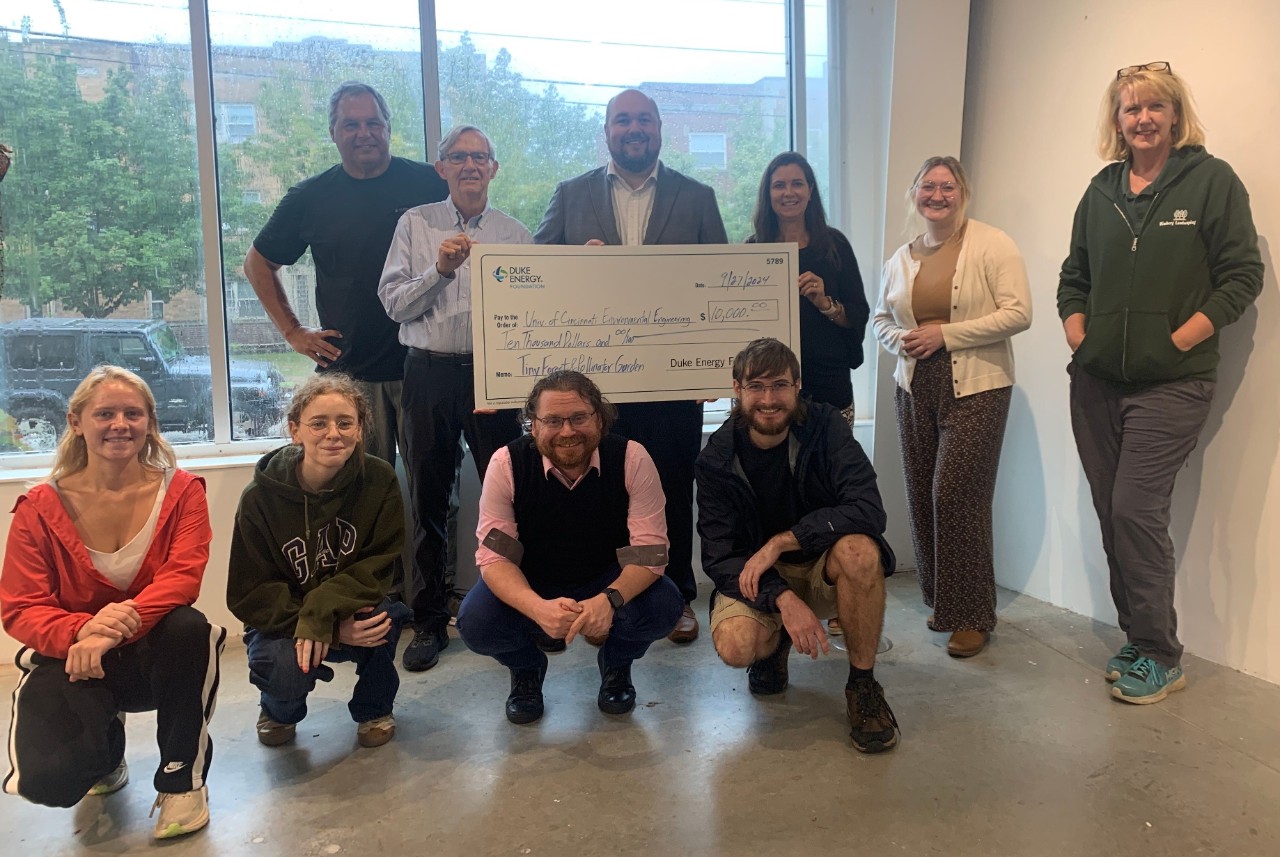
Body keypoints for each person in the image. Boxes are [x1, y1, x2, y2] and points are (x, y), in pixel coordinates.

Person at [1058, 62, 1263, 704]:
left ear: (1176, 115)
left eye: (1154, 107)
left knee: (1134, 510)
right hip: (1095, 381)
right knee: (1108, 510)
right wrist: (1078, 333)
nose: (1142, 119)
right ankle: (1138, 636)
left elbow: (1242, 275)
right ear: (1116, 120)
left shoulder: (1210, 181)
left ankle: (1159, 653)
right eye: (1130, 109)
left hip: (1173, 384)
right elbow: (1075, 274)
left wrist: (1179, 339)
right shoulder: (1101, 190)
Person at [534, 88, 729, 645]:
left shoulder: (697, 196)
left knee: (672, 486)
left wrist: (710, 370)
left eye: (644, 119)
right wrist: (576, 264)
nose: (634, 128)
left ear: (661, 129)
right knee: (601, 494)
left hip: (672, 388)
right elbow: (535, 274)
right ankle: (601, 597)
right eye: (623, 120)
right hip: (593, 392)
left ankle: (677, 599)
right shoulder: (570, 195)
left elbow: (718, 284)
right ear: (607, 131)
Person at [0, 366, 224, 840]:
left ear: (150, 422)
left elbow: (182, 578)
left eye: (132, 413)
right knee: (49, 782)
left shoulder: (182, 491)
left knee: (189, 627)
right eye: (105, 413)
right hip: (79, 657)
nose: (119, 424)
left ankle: (181, 780)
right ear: (76, 422)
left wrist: (106, 629)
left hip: (155, 653)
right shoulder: (38, 507)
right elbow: (22, 606)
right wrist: (81, 631)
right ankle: (105, 756)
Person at [696, 339, 900, 753]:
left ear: (797, 386)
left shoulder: (826, 427)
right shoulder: (716, 458)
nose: (768, 399)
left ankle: (862, 685)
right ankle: (776, 642)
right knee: (736, 646)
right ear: (737, 389)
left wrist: (785, 541)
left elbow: (868, 510)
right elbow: (720, 557)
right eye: (756, 387)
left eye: (779, 386)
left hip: (822, 565)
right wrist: (782, 598)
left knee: (861, 550)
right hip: (761, 578)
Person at [378, 125, 528, 672]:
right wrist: (439, 272)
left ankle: (518, 609)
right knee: (429, 497)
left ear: (494, 168)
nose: (470, 166)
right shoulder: (415, 224)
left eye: (480, 157)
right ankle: (428, 619)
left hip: (496, 378)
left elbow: (535, 312)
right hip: (429, 374)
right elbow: (394, 304)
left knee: (511, 497)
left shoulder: (516, 234)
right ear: (441, 168)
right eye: (458, 157)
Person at [456, 371, 683, 724]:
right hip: (533, 580)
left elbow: (650, 552)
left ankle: (616, 664)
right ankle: (527, 669)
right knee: (476, 622)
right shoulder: (505, 464)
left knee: (664, 607)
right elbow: (495, 558)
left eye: (579, 417)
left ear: (600, 419)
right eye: (553, 420)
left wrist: (609, 600)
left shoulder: (632, 459)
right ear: (532, 424)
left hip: (609, 578)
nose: (567, 431)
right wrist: (536, 608)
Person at [873, 155, 1032, 659]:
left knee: (956, 496)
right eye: (927, 187)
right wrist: (901, 339)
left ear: (962, 192)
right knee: (923, 493)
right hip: (914, 385)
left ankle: (972, 616)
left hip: (978, 386)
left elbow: (1019, 312)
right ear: (915, 194)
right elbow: (879, 319)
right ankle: (943, 601)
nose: (936, 195)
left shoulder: (991, 243)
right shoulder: (900, 258)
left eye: (947, 186)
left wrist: (947, 334)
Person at [244, 81, 448, 465]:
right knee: (356, 488)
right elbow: (257, 263)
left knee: (436, 495)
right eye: (350, 125)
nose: (364, 133)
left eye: (373, 123)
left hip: (424, 367)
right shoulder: (310, 197)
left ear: (388, 127)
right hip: (351, 373)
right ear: (333, 133)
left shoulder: (431, 184)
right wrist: (292, 331)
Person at [227, 374, 411, 748]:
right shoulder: (259, 498)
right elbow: (251, 590)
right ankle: (279, 710)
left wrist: (324, 615)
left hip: (350, 608)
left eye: (345, 423)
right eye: (318, 423)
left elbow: (378, 564)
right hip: (284, 619)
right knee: (281, 666)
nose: (333, 433)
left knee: (380, 623)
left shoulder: (380, 480)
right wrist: (316, 625)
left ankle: (374, 707)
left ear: (360, 430)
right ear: (295, 430)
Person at [748, 152, 870, 424]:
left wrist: (826, 305)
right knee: (773, 467)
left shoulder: (835, 245)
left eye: (797, 184)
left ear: (811, 190)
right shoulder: (752, 251)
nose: (788, 192)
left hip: (828, 385)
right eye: (779, 185)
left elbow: (859, 314)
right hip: (770, 389)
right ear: (767, 193)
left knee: (830, 466)